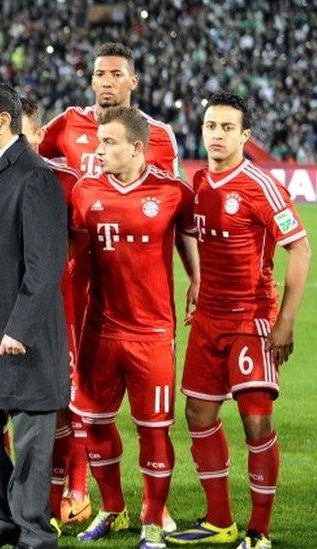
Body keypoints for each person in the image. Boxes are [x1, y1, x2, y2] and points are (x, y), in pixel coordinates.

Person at [38, 41, 180, 528]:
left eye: (115, 74)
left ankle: (151, 512)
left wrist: (196, 281)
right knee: (81, 397)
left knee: (147, 421)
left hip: (143, 298)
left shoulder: (160, 136)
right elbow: (33, 165)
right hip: (81, 281)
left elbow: (175, 218)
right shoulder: (66, 126)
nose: (104, 81)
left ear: (132, 81)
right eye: (99, 73)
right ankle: (84, 494)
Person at [167, 93, 310, 549]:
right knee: (198, 414)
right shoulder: (199, 182)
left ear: (245, 136)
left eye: (228, 127)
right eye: (211, 125)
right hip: (208, 320)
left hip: (251, 319)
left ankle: (259, 531)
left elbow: (300, 249)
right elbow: (191, 238)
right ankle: (219, 520)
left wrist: (285, 322)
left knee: (256, 422)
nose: (217, 134)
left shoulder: (260, 185)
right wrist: (195, 282)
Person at [67, 106, 199, 548]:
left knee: (154, 431)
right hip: (99, 330)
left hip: (153, 335)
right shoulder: (86, 191)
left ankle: (151, 519)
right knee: (96, 424)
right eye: (99, 141)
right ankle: (112, 509)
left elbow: (190, 235)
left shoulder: (173, 191)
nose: (98, 150)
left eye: (108, 143)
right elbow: (68, 246)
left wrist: (197, 280)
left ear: (137, 148)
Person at [0, 82, 68, 549]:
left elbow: (46, 263)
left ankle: (34, 533)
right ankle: (3, 520)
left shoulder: (34, 176)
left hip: (20, 331)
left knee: (30, 434)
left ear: (3, 121)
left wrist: (19, 327)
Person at [19, 97, 82, 532]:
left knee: (64, 403)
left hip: (64, 308)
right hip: (10, 311)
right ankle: (23, 497)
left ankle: (69, 490)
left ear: (40, 135)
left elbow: (83, 240)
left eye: (25, 136)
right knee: (13, 404)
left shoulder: (68, 182)